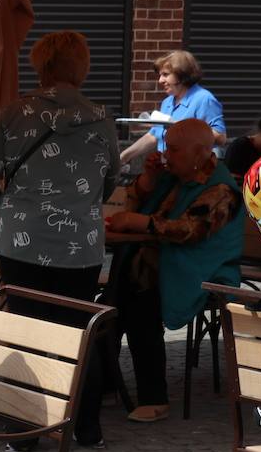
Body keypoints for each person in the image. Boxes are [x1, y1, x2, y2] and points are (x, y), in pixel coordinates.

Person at [0, 30, 119, 450]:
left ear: (41, 65)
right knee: (77, 330)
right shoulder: (102, 117)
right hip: (82, 246)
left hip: (21, 240)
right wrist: (83, 204)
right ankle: (87, 428)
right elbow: (111, 179)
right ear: (82, 67)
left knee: (24, 328)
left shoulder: (17, 113)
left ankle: (24, 432)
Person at [105, 118, 244, 424]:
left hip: (203, 267)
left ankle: (152, 396)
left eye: (175, 150)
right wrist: (148, 179)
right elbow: (137, 205)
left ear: (200, 153)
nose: (167, 155)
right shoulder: (174, 176)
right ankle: (107, 382)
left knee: (138, 300)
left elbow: (190, 231)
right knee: (114, 299)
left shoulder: (221, 188)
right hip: (160, 260)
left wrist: (140, 224)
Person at [120, 50, 225, 165]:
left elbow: (220, 137)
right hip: (167, 169)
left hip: (192, 170)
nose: (160, 80)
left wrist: (182, 127)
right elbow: (154, 135)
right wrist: (124, 156)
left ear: (181, 75)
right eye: (160, 75)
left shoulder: (203, 99)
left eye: (165, 74)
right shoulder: (168, 102)